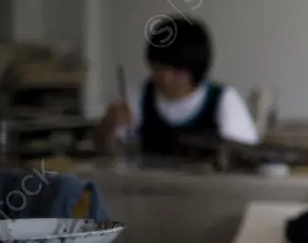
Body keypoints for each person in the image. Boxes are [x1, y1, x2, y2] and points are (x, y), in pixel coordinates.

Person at [96, 17, 259, 156]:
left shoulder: (223, 100)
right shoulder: (139, 96)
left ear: (196, 70)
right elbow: (107, 149)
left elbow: (247, 156)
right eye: (158, 69)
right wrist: (109, 125)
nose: (165, 79)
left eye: (176, 72)